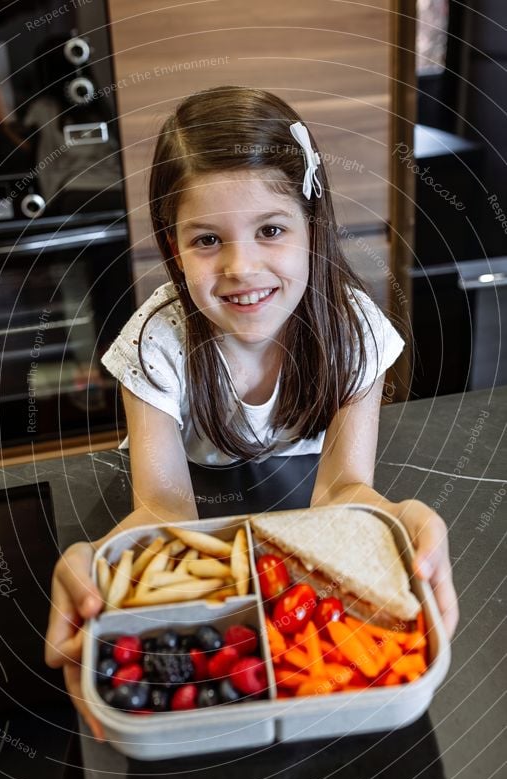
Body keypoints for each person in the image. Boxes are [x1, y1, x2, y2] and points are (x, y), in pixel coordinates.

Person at [45, 86, 459, 742]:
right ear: (172, 245)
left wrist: (392, 522)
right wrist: (96, 560)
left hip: (298, 492)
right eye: (207, 238)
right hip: (200, 489)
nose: (241, 268)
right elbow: (163, 507)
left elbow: (342, 490)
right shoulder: (156, 340)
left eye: (270, 228)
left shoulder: (352, 331)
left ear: (310, 226)